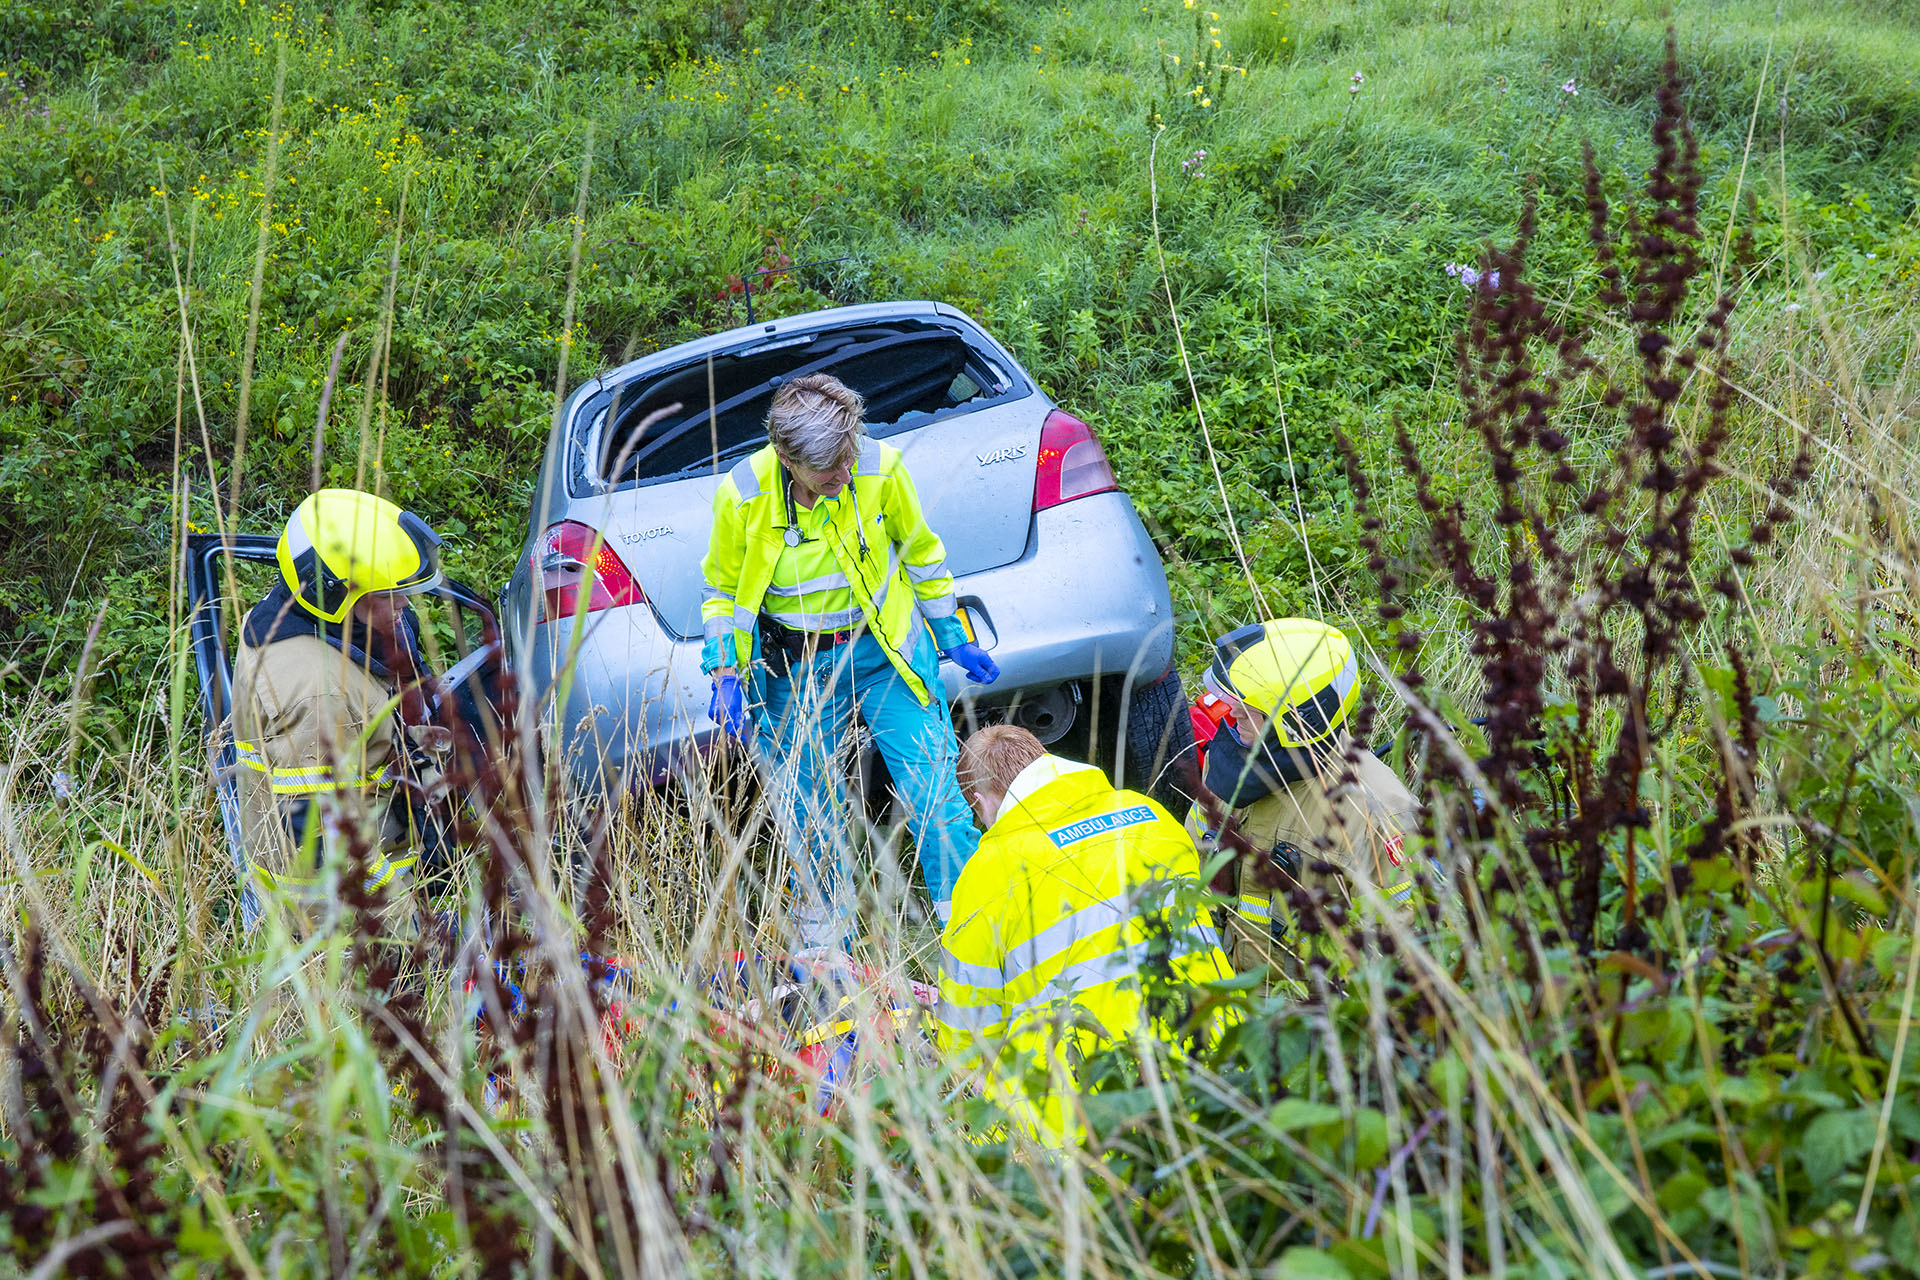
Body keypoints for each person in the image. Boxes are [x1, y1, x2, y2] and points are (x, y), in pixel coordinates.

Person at [699, 373, 999, 946]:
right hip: (797, 670)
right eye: (828, 468)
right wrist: (726, 672)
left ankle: (970, 931)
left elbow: (922, 554)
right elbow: (720, 593)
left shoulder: (879, 469)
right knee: (809, 812)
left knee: (937, 795)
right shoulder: (741, 497)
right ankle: (824, 945)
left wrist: (950, 631)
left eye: (847, 457)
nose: (843, 474)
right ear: (787, 458)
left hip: (885, 655)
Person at [936, 725, 1233, 1143]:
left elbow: (967, 1032)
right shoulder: (1150, 815)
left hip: (1087, 1122)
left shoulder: (987, 873)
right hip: (1216, 1074)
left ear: (983, 800)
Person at [231, 488, 451, 931]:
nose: (405, 604)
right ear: (334, 595)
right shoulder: (319, 694)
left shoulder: (305, 620)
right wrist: (414, 934)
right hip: (339, 923)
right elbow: (331, 845)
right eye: (390, 595)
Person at [1181, 618, 1420, 978]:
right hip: (1225, 988)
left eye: (1249, 709)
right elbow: (1190, 860)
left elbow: (1405, 952)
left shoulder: (1372, 811)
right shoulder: (1228, 763)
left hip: (1311, 1015)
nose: (1232, 715)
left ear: (1297, 721)